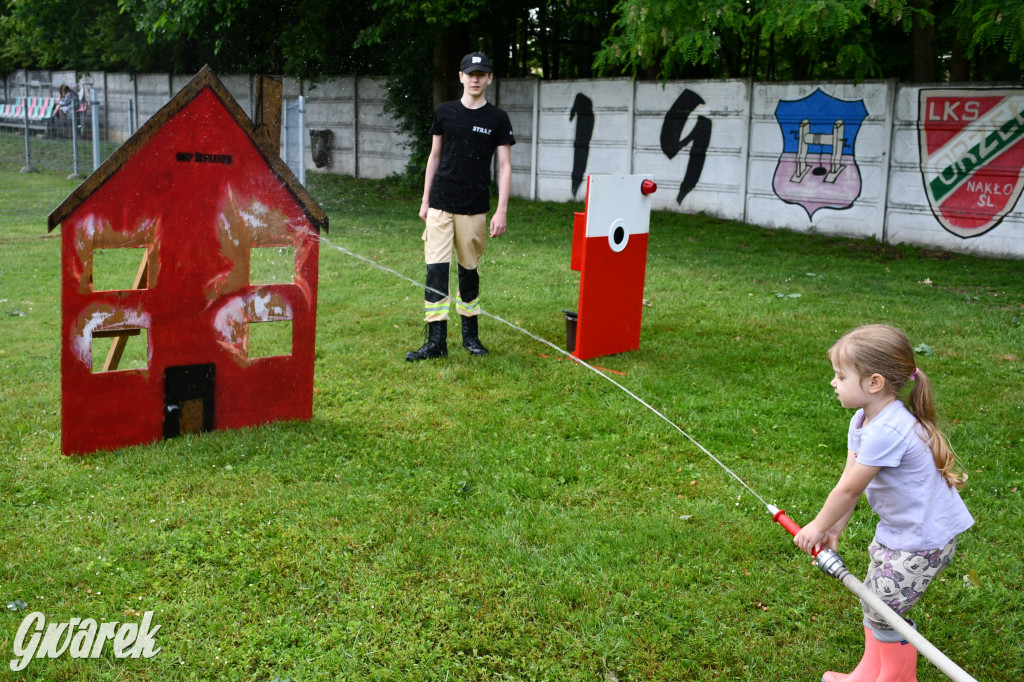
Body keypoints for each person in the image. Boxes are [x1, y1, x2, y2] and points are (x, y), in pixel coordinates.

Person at [794, 324, 973, 682]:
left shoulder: (888, 430)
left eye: (841, 376)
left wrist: (814, 526)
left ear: (874, 383)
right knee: (874, 602)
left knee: (884, 609)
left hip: (924, 542)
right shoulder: (862, 420)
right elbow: (851, 484)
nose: (833, 382)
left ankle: (896, 678)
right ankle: (868, 673)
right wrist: (834, 526)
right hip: (899, 532)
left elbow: (846, 491)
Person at [406, 51, 515, 361]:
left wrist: (502, 210)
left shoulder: (497, 118)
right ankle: (436, 341)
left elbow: (505, 166)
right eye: (471, 73)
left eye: (482, 73)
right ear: (461, 76)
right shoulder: (445, 112)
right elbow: (435, 156)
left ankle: (471, 337)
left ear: (490, 78)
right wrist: (426, 200)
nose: (476, 78)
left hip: (474, 208)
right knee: (436, 272)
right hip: (441, 203)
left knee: (469, 272)